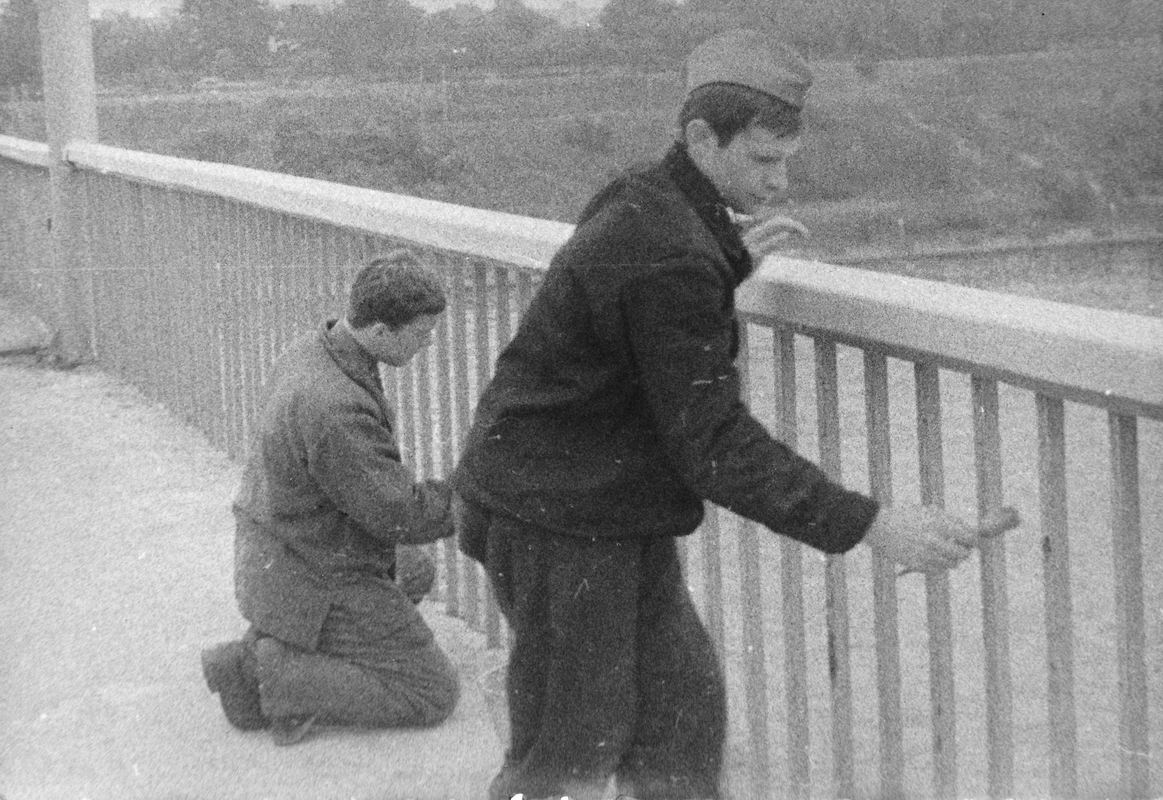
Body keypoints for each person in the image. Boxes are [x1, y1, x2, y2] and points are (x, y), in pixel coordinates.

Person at [453, 29, 979, 800]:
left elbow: (640, 314)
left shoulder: (645, 197)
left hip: (583, 507)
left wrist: (724, 262)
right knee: (566, 757)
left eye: (785, 160)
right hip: (561, 525)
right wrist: (869, 523)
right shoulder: (672, 252)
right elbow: (713, 445)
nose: (780, 182)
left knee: (681, 718)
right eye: (763, 160)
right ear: (702, 138)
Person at [201, 250, 459, 746]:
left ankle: (277, 642)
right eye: (422, 333)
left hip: (273, 556)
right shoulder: (335, 407)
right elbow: (399, 514)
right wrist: (475, 498)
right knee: (432, 691)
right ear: (380, 330)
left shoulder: (317, 348)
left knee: (415, 570)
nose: (428, 343)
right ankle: (264, 671)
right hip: (313, 572)